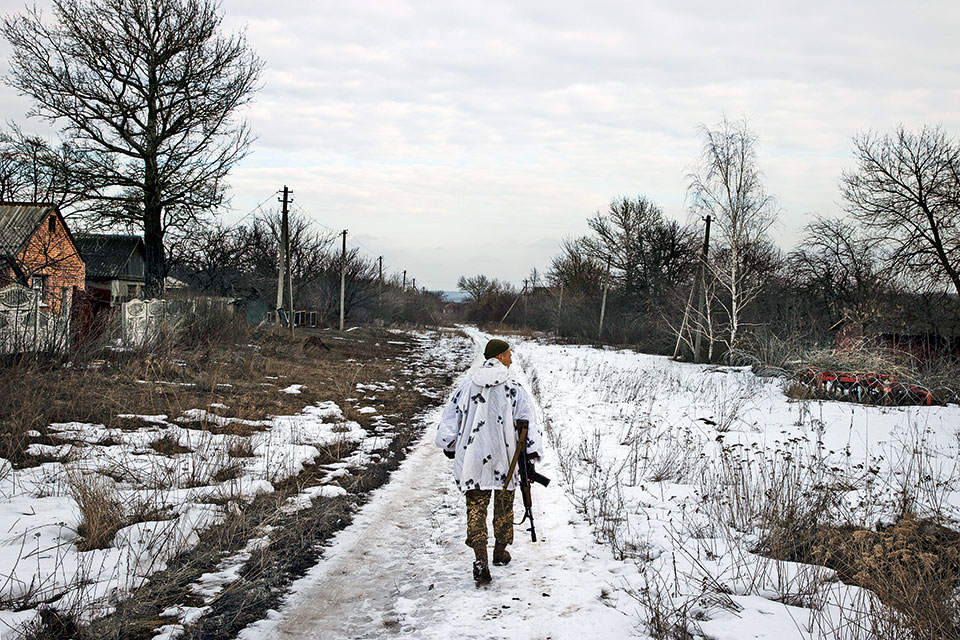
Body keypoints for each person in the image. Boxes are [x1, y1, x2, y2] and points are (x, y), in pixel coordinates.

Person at [435, 338, 544, 585]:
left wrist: (450, 446)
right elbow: (528, 425)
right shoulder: (515, 389)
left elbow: (450, 422)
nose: (512, 359)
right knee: (504, 507)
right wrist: (531, 456)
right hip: (506, 459)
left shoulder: (466, 387)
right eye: (509, 355)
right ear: (501, 357)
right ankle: (500, 552)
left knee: (476, 508)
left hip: (474, 459)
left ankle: (480, 559)